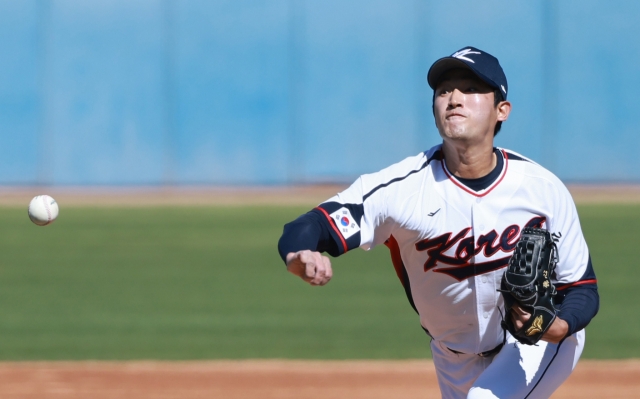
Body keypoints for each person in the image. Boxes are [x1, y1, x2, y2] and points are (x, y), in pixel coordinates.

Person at [277, 46, 599, 399]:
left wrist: (559, 326)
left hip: (534, 342)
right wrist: (299, 254)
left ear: (501, 111)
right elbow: (313, 225)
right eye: (444, 90)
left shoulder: (542, 189)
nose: (455, 98)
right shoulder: (400, 190)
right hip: (451, 356)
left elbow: (582, 287)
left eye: (471, 89)